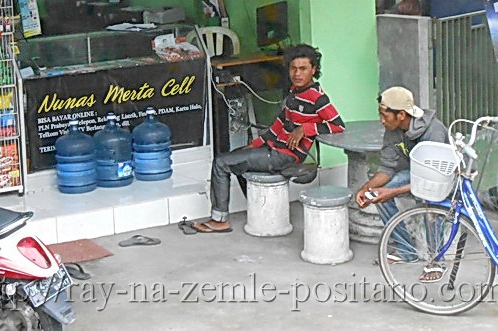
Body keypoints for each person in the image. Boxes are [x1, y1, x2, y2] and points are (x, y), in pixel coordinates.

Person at [192, 44, 345, 233]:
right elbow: (280, 123)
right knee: (236, 159)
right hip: (274, 149)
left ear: (313, 70)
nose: (297, 74)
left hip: (285, 156)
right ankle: (259, 209)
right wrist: (255, 144)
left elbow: (338, 125)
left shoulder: (316, 97)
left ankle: (219, 220)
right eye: (293, 68)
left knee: (221, 162)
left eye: (303, 69)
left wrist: (305, 129)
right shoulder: (295, 91)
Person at [354, 86, 448, 281]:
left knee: (429, 202)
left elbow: (433, 180)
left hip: (441, 178)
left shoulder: (433, 132)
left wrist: (393, 192)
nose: (381, 120)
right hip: (415, 175)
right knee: (378, 194)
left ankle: (437, 261)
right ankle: (406, 250)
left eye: (385, 116)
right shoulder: (393, 130)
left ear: (402, 115)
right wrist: (366, 188)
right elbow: (386, 168)